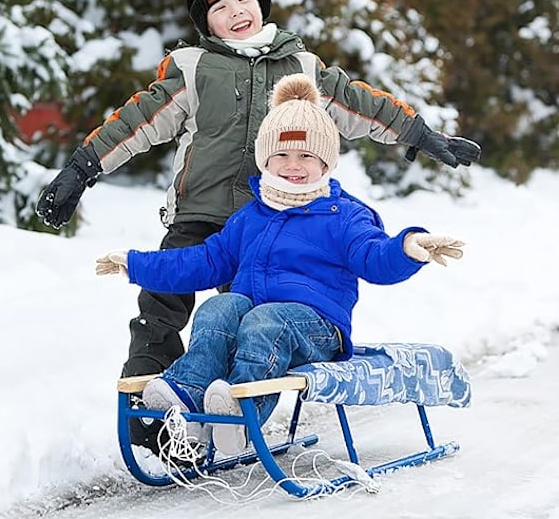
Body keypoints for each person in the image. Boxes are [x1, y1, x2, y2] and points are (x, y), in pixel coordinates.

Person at [37, 0, 479, 452]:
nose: (238, 11)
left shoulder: (304, 68)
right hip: (198, 212)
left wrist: (420, 134)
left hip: (266, 220)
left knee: (239, 320)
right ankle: (152, 417)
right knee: (161, 307)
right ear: (207, 22)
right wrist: (82, 168)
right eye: (222, 8)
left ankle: (228, 415)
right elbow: (136, 122)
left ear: (262, 4)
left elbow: (363, 106)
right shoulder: (194, 69)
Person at [96, 74, 465, 460]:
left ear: (325, 162)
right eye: (283, 156)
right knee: (219, 307)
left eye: (306, 156)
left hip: (317, 328)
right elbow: (203, 260)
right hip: (259, 322)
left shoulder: (343, 215)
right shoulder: (250, 216)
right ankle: (189, 395)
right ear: (265, 159)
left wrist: (408, 247)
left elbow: (374, 256)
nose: (294, 166)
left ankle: (243, 411)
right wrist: (136, 265)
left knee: (265, 320)